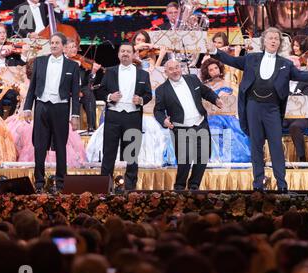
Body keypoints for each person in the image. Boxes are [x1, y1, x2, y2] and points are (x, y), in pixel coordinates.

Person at [207, 27, 308, 192]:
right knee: (256, 145)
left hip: (273, 109)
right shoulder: (251, 59)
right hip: (253, 107)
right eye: (270, 38)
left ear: (280, 43)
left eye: (276, 38)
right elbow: (231, 61)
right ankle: (258, 184)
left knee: (276, 145)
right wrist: (214, 51)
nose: (273, 41)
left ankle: (282, 185)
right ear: (264, 41)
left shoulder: (285, 64)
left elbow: (300, 75)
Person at [23, 32, 80, 193]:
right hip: (42, 106)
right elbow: (32, 87)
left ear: (63, 46)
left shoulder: (72, 66)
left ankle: (61, 183)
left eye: (56, 43)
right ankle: (39, 183)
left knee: (61, 146)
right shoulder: (40, 61)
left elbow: (75, 93)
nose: (53, 45)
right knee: (40, 146)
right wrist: (27, 107)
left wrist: (75, 115)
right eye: (52, 43)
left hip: (61, 108)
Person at [154, 60, 222, 190]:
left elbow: (206, 92)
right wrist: (164, 120)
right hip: (180, 128)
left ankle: (194, 186)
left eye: (177, 67)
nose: (175, 71)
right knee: (184, 161)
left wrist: (215, 99)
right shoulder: (161, 90)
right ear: (166, 72)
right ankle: (179, 188)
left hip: (200, 124)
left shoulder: (192, 79)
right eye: (171, 69)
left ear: (181, 68)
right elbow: (158, 110)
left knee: (202, 158)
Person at [97, 43, 152, 190]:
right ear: (118, 54)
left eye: (128, 51)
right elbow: (100, 91)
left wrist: (141, 100)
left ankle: (130, 188)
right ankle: (105, 187)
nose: (125, 54)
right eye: (122, 51)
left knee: (131, 155)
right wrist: (109, 96)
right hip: (113, 117)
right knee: (109, 153)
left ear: (133, 54)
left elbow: (148, 95)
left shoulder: (143, 74)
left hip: (133, 117)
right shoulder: (110, 72)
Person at [199, 58, 250, 163]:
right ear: (207, 72)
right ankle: (212, 157)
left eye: (216, 68)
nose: (214, 71)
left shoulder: (227, 84)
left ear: (220, 68)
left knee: (223, 126)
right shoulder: (204, 86)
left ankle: (226, 157)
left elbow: (220, 99)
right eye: (211, 70)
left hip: (225, 115)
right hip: (209, 115)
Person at [64, 38, 101, 132]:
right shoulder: (63, 61)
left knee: (89, 94)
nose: (74, 49)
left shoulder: (80, 62)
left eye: (75, 47)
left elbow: (89, 82)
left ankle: (91, 127)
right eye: (71, 47)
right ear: (64, 49)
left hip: (80, 89)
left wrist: (93, 72)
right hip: (66, 89)